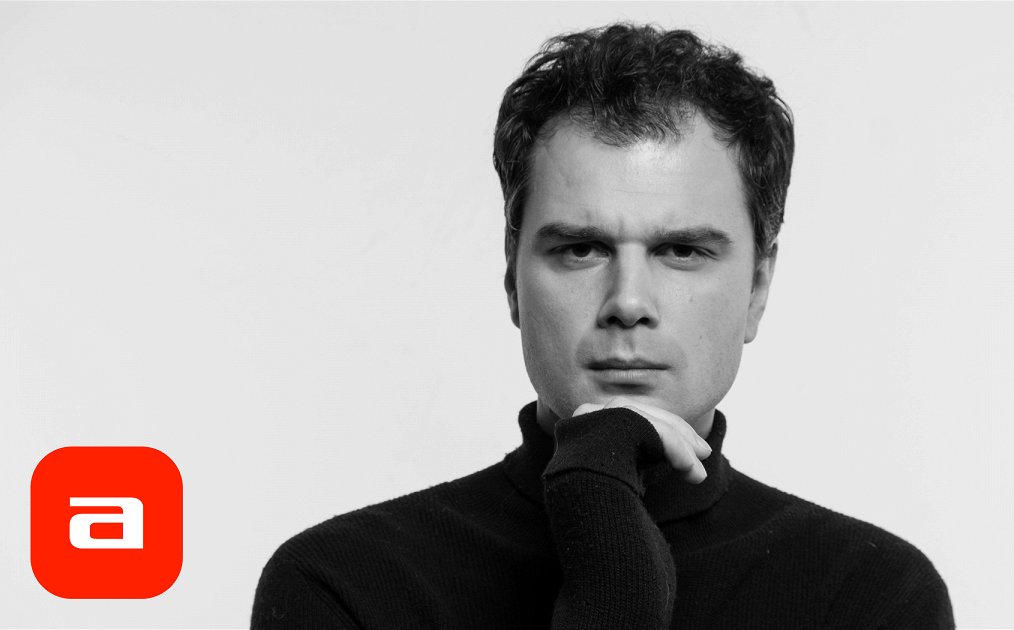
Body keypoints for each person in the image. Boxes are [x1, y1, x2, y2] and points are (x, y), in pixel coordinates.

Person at [251, 23, 953, 629]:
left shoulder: (869, 596)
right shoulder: (345, 585)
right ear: (512, 279)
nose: (628, 301)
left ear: (757, 290)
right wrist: (601, 525)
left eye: (682, 251)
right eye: (581, 249)